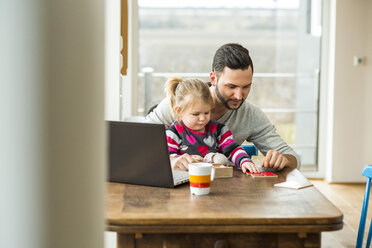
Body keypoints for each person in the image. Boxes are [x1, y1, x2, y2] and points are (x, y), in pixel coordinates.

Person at [146, 43, 299, 171]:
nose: (239, 96)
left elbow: (293, 158)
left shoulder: (251, 115)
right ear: (213, 78)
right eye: (231, 86)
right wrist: (170, 160)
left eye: (246, 87)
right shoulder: (179, 102)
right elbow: (138, 144)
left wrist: (284, 159)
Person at [165, 77, 260, 173]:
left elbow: (232, 149)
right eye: (196, 114)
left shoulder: (218, 130)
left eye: (206, 112)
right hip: (185, 181)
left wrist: (244, 161)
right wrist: (185, 159)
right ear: (179, 111)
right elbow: (167, 156)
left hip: (215, 181)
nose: (202, 118)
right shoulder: (174, 133)